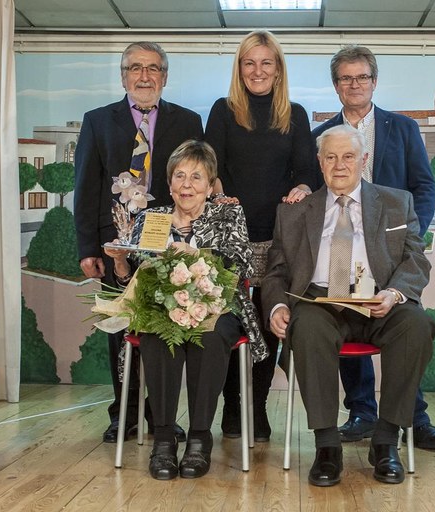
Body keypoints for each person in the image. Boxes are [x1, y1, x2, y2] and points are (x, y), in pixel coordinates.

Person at [263, 125, 435, 486]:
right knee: (306, 326)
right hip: (320, 301)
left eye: (348, 156)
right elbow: (276, 272)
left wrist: (394, 294)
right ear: (319, 162)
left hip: (378, 300)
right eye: (330, 157)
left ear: (363, 160)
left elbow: (416, 260)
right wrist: (277, 307)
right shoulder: (294, 213)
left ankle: (386, 441)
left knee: (416, 325)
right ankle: (327, 447)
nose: (339, 165)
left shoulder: (395, 202)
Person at [311, 44, 435, 450]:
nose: (354, 84)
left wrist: (410, 234)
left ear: (374, 81)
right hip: (340, 245)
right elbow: (317, 189)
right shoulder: (320, 136)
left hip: (390, 252)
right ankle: (361, 412)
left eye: (362, 77)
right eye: (345, 78)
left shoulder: (402, 128)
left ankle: (413, 417)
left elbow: (423, 186)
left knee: (405, 330)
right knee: (343, 322)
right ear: (336, 85)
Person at [104, 140, 267, 480]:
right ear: (169, 183)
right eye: (180, 176)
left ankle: (199, 439)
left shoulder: (228, 214)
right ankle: (163, 440)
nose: (187, 185)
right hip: (163, 306)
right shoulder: (152, 217)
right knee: (156, 330)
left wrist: (195, 257)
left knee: (212, 334)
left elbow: (242, 264)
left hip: (218, 305)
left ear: (210, 186)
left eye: (196, 177)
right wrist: (121, 264)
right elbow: (130, 284)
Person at [74, 42, 203, 444]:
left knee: (167, 330)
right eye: (135, 68)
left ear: (164, 76)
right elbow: (86, 186)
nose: (144, 76)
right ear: (123, 76)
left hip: (172, 243)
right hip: (116, 247)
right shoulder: (97, 121)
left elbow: (197, 185)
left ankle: (161, 415)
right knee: (121, 333)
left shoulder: (188, 121)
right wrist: (88, 248)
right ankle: (124, 415)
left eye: (152, 69)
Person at [204, 30, 319, 442]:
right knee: (232, 320)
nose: (258, 70)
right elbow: (210, 166)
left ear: (278, 68)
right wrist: (216, 186)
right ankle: (232, 409)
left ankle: (257, 405)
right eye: (249, 63)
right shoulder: (222, 111)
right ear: (240, 68)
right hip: (231, 236)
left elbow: (308, 172)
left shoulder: (296, 114)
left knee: (269, 325)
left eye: (266, 62)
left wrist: (304, 187)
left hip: (277, 238)